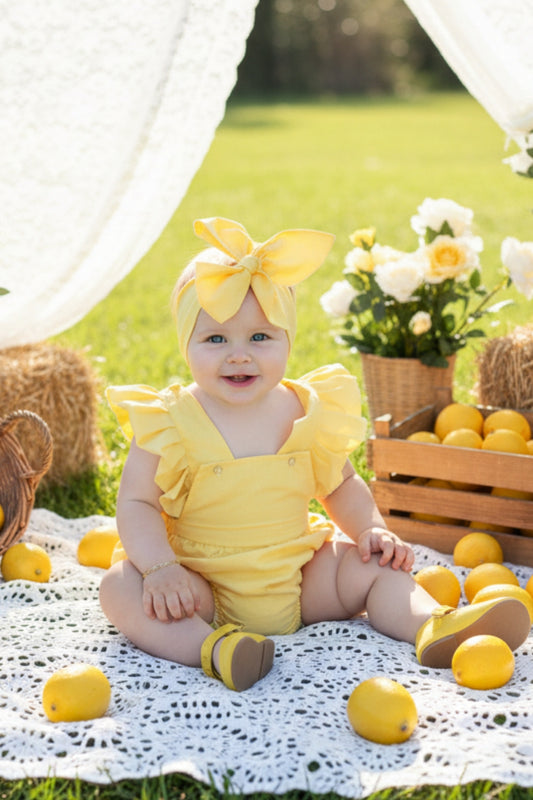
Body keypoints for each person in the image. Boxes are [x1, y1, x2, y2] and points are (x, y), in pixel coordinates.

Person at [100, 216, 531, 692]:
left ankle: (433, 625)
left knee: (375, 567)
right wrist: (161, 570)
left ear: (288, 339)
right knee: (121, 587)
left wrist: (371, 529)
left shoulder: (306, 410)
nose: (238, 355)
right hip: (201, 585)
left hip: (300, 578)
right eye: (216, 339)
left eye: (260, 337)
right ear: (186, 345)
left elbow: (342, 485)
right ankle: (214, 648)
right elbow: (137, 503)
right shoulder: (170, 419)